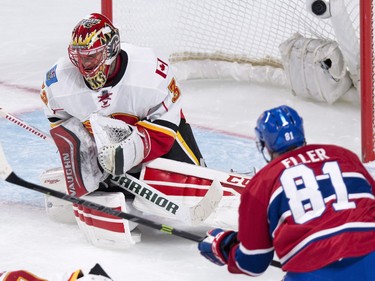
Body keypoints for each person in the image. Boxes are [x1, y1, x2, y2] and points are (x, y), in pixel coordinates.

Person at [198, 105, 375, 280]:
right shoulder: (344, 156)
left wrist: (222, 246)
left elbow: (253, 263)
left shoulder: (263, 182)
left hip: (314, 271)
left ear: (265, 145)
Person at [39, 12, 205, 196]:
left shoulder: (149, 70)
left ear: (111, 49)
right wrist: (83, 148)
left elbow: (167, 121)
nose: (83, 64)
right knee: (102, 187)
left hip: (157, 142)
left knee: (194, 187)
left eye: (92, 55)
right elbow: (60, 121)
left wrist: (131, 150)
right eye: (79, 56)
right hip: (104, 154)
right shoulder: (59, 81)